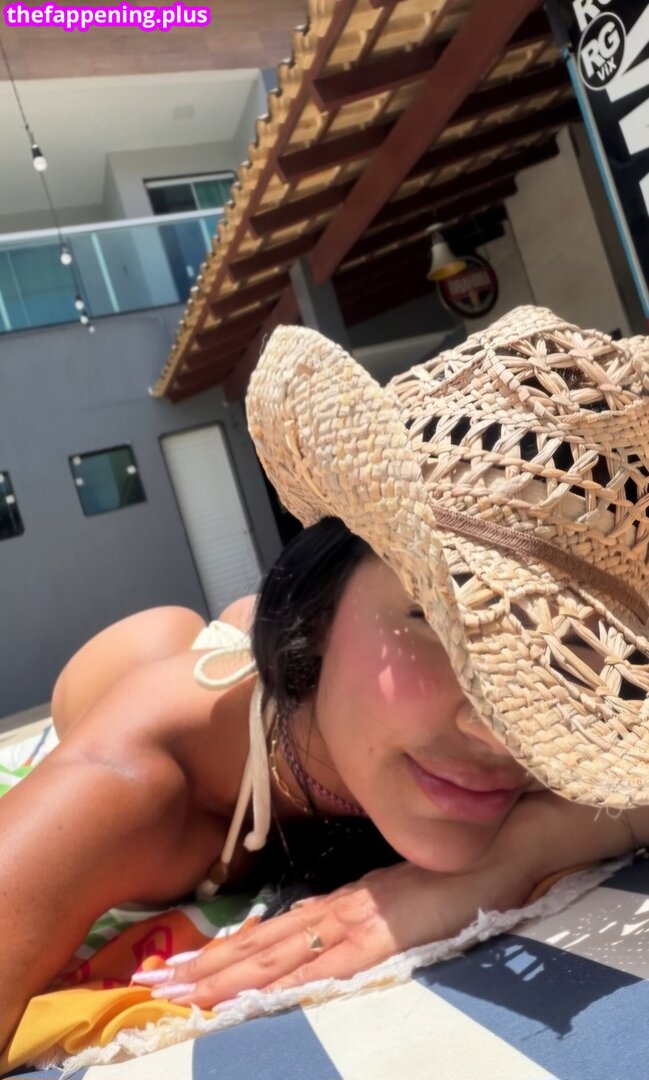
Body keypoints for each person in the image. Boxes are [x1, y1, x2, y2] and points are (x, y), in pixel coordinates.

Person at [2, 305, 649, 1052]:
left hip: (302, 689)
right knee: (158, 636)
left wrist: (513, 856)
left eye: (565, 653)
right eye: (440, 622)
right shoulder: (139, 777)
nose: (501, 728)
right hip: (156, 675)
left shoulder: (526, 723)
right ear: (318, 599)